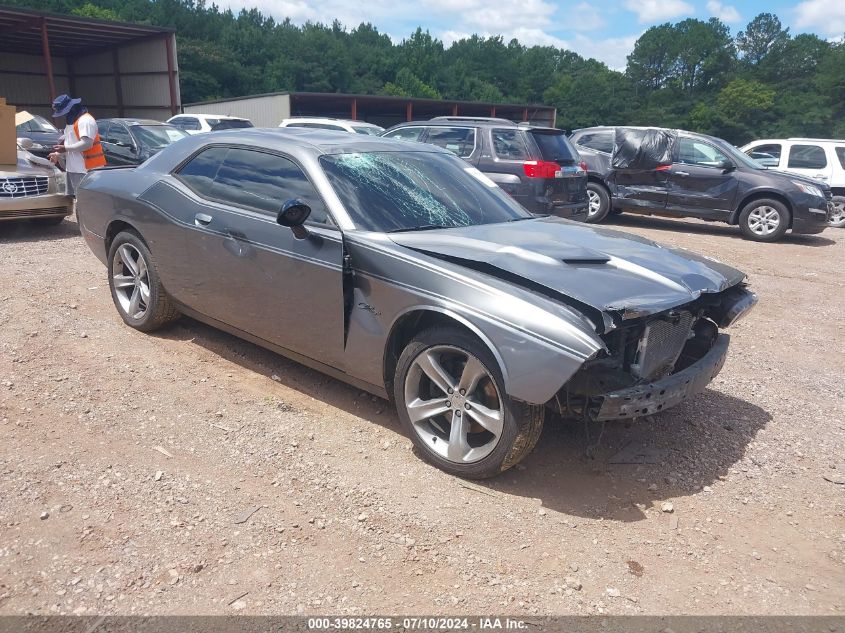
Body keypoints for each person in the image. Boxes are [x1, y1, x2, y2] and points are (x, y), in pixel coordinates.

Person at [48, 94, 106, 196]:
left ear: (71, 108)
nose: (64, 115)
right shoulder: (72, 122)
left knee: (87, 200)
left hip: (87, 170)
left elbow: (87, 144)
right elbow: (71, 143)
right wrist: (58, 154)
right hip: (74, 169)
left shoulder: (85, 121)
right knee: (78, 199)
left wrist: (65, 148)